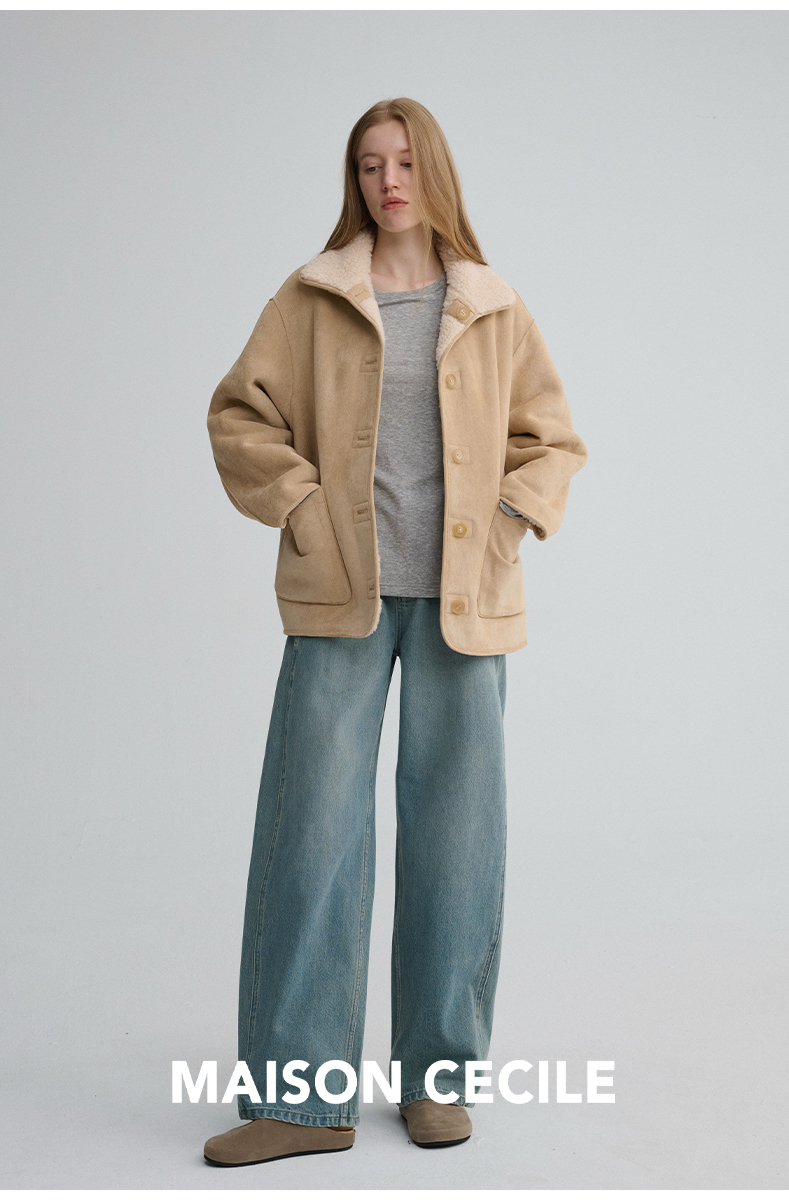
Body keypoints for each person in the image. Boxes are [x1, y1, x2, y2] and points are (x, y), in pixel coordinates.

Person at [203, 97, 587, 1168]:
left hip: (465, 602)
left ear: (435, 173)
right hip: (343, 592)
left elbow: (553, 440)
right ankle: (300, 1100)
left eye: (406, 161)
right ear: (355, 181)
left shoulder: (494, 306)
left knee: (457, 842)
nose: (389, 181)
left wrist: (507, 520)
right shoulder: (313, 296)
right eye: (371, 165)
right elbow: (239, 414)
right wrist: (301, 505)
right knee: (312, 837)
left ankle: (438, 1080)